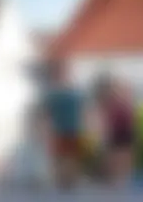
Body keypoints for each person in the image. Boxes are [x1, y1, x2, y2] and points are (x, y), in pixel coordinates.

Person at [38, 60, 84, 190]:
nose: (63, 75)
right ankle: (62, 180)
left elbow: (82, 110)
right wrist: (44, 129)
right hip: (58, 129)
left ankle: (70, 180)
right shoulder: (52, 92)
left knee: (71, 156)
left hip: (73, 128)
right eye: (61, 72)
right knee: (60, 157)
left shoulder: (75, 91)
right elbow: (45, 113)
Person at [99, 76, 138, 187]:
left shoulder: (127, 103)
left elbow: (132, 119)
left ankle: (124, 178)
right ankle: (115, 178)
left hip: (126, 132)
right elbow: (108, 119)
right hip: (116, 132)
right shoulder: (112, 103)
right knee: (115, 155)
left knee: (125, 155)